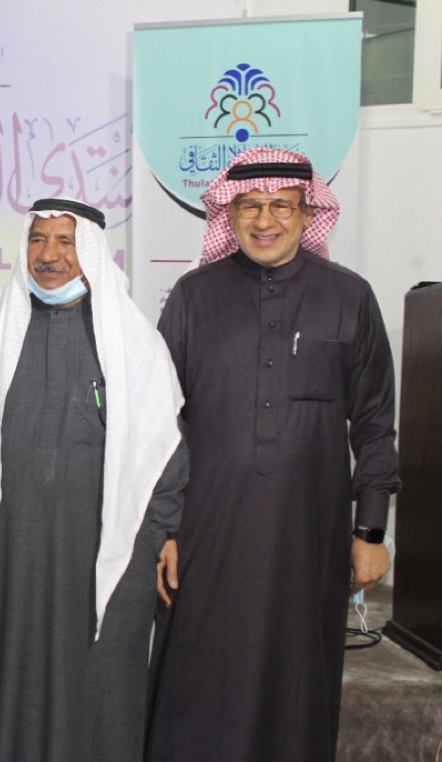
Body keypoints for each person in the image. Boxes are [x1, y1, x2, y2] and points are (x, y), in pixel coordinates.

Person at [146, 148, 400, 762]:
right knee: (197, 681)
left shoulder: (349, 296)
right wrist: (163, 530)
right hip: (205, 533)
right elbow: (158, 425)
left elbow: (374, 422)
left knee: (297, 684)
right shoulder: (193, 296)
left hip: (308, 535)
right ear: (227, 215)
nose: (265, 220)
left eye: (281, 205)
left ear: (307, 211)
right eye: (250, 206)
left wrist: (370, 529)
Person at [0, 198, 189, 761]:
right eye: (37, 240)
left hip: (104, 561)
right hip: (6, 558)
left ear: (89, 249)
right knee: (4, 688)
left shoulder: (131, 339)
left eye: (65, 242)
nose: (49, 255)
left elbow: (165, 453)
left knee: (98, 699)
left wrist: (157, 536)